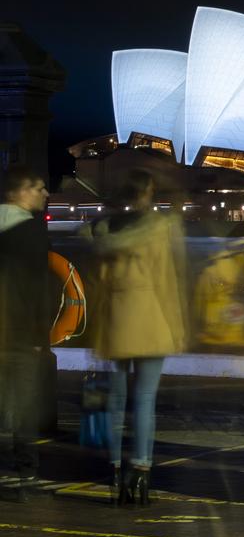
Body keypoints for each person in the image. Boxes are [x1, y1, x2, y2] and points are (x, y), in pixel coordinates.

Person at [92, 169, 187, 505]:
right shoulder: (157, 229)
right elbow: (165, 281)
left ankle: (115, 470)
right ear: (147, 192)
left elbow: (100, 284)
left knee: (116, 402)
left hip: (117, 317)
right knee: (145, 398)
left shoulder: (104, 229)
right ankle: (142, 470)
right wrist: (176, 328)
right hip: (151, 317)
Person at [0, 166, 50, 500]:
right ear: (22, 191)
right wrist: (39, 337)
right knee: (25, 407)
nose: (45, 194)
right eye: (40, 188)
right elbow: (37, 288)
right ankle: (25, 477)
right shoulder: (32, 232)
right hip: (18, 334)